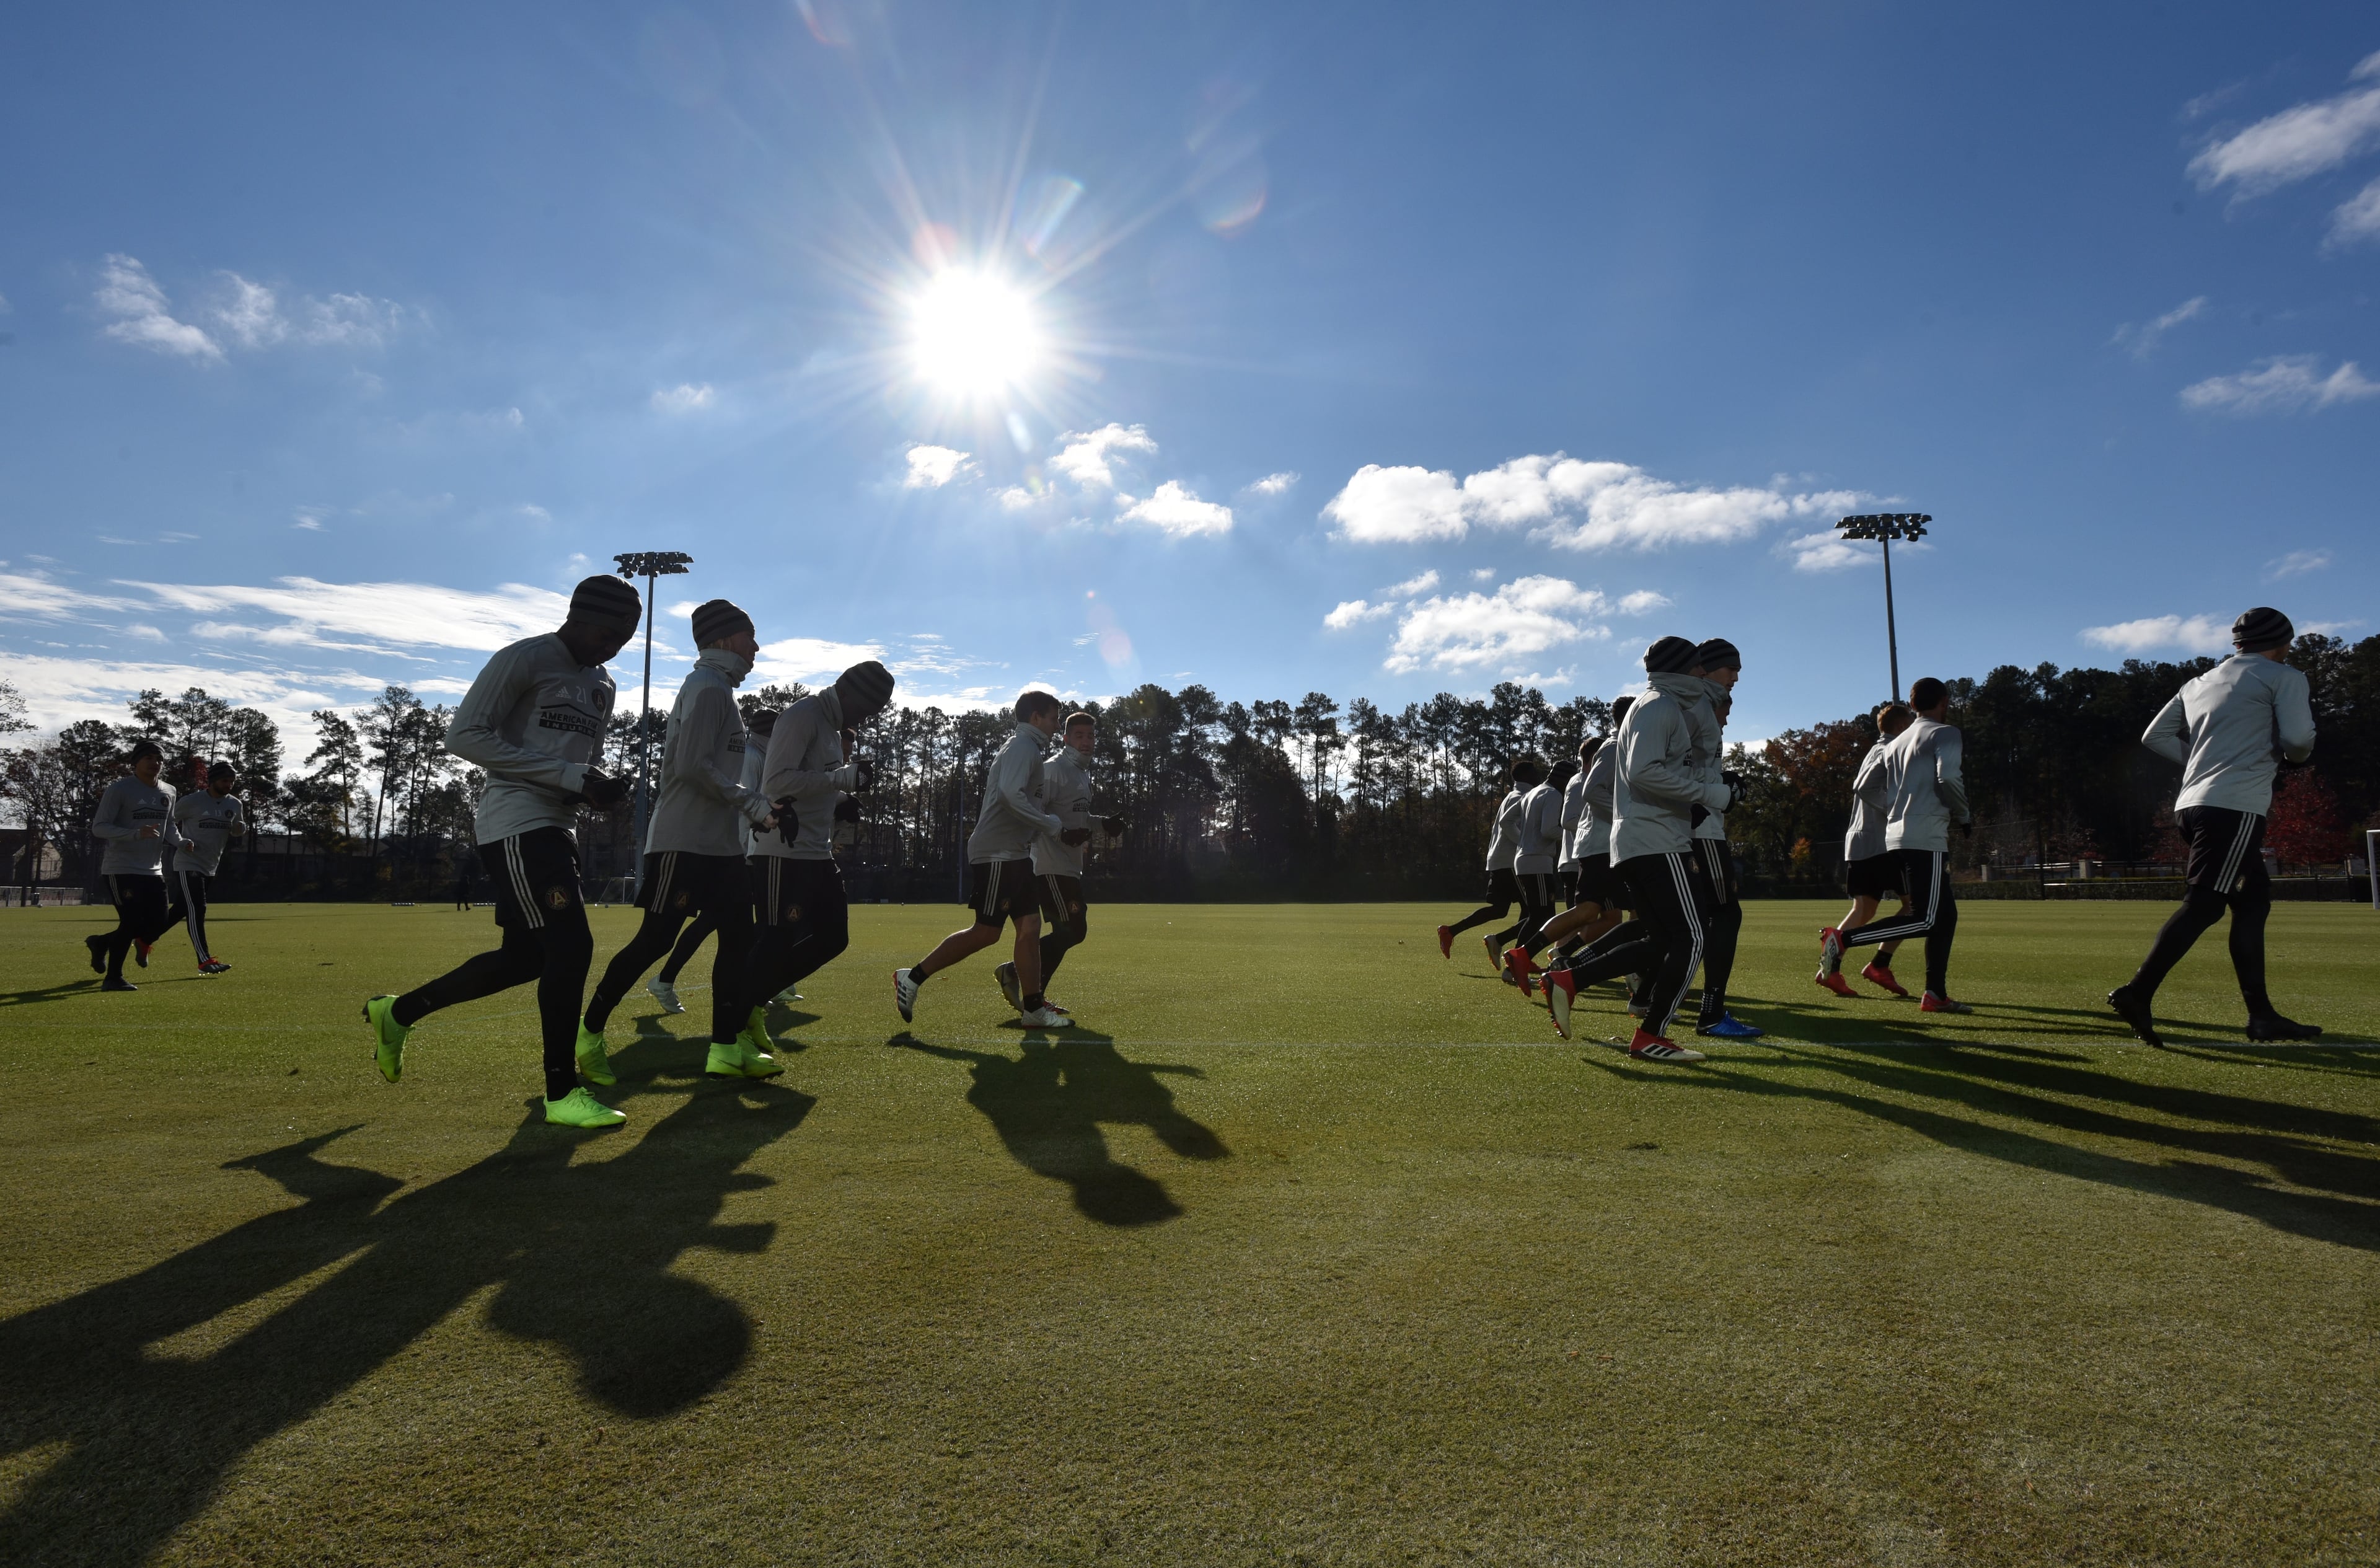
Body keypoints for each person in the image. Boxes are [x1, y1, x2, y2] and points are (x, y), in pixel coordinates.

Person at [361, 574, 640, 1129]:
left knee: (526, 959)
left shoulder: (603, 683)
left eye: (624, 641)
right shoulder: (525, 658)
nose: (612, 648)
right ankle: (561, 1092)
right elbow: (463, 736)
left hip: (557, 828)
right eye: (608, 634)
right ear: (578, 617)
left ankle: (397, 1012)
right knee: (572, 946)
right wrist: (568, 775)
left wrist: (594, 788)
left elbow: (574, 763)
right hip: (515, 824)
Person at [578, 601, 782, 1081]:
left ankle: (725, 1047)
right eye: (750, 638)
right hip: (684, 841)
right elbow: (692, 768)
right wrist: (753, 804)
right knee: (655, 941)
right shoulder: (709, 689)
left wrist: (749, 811)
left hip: (720, 845)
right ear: (727, 640)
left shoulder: (719, 690)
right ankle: (587, 1033)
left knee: (738, 940)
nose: (756, 648)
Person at [2110, 606, 2320, 1045]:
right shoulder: (2283, 676)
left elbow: (2155, 736)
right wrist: (2291, 760)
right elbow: (2299, 741)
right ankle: (2137, 992)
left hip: (2193, 805)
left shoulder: (2199, 683)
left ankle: (2262, 1016)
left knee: (2252, 899)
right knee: (2205, 905)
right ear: (2282, 642)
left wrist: (2203, 762)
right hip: (2233, 807)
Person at [1540, 638, 1732, 1060]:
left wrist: (1693, 802)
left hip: (1646, 839)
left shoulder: (1659, 704)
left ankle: (1569, 979)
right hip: (1655, 840)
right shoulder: (1660, 706)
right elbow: (1645, 774)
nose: (1706, 674)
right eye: (1699, 668)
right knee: (1695, 936)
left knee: (1661, 939)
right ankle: (1652, 1034)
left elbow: (1648, 775)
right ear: (1684, 669)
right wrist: (1710, 794)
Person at [896, 690, 1069, 1029]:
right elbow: (1009, 795)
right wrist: (1048, 824)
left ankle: (1033, 1010)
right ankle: (912, 978)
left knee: (1030, 927)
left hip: (1014, 854)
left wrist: (1037, 828)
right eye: (1053, 717)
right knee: (987, 933)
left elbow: (1019, 801)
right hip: (997, 854)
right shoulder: (1023, 747)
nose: (1056, 724)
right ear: (1035, 718)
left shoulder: (1027, 747)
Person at [745, 661, 896, 1031]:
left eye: (875, 712)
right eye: (865, 708)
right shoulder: (804, 715)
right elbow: (777, 782)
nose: (866, 717)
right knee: (775, 940)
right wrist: (841, 779)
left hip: (814, 850)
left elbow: (814, 784)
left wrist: (843, 801)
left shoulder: (830, 725)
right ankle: (736, 1020)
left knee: (832, 938)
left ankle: (746, 1004)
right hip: (783, 849)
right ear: (845, 690)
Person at [1816, 676, 1972, 1013]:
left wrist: (1897, 808)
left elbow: (1864, 786)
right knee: (1923, 915)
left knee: (1939, 914)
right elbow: (1946, 778)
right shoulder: (1928, 737)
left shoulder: (1893, 744)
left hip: (1885, 838)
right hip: (1907, 838)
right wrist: (1956, 812)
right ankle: (1847, 943)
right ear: (1943, 702)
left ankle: (1931, 991)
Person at [647, 705, 776, 1016]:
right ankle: (666, 980)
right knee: (716, 922)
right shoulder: (751, 756)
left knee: (728, 924)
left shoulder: (759, 755)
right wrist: (746, 849)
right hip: (736, 852)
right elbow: (739, 806)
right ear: (769, 732)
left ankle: (752, 984)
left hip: (740, 851)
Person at [1000, 710, 1116, 1015]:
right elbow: (1033, 814)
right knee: (1072, 931)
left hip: (1067, 866)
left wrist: (1104, 825)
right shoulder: (1053, 770)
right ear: (1065, 738)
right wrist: (1063, 836)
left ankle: (1031, 994)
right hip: (1047, 865)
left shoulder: (1081, 772)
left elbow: (1078, 819)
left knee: (1070, 932)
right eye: (1079, 735)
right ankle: (1020, 980)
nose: (1086, 741)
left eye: (1090, 736)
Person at [1686, 648, 1761, 1039]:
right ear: (1706, 668)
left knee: (1683, 924)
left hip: (1696, 825)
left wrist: (1722, 779)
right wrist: (1703, 802)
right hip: (1701, 830)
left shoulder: (1698, 704)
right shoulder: (1695, 705)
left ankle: (1576, 971)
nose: (1736, 676)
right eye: (1732, 668)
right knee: (1721, 917)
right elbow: (1674, 766)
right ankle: (1711, 1013)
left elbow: (1694, 766)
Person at [1818, 702, 1915, 997]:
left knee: (1866, 908)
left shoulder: (1877, 749)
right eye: (1911, 723)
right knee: (1917, 906)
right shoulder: (1891, 750)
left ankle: (1829, 970)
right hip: (1882, 843)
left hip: (1862, 841)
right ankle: (1879, 965)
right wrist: (1897, 809)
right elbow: (1862, 787)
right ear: (1900, 726)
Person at [86, 739, 178, 992]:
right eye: (148, 758)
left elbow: (169, 824)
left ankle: (101, 942)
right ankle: (113, 978)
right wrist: (136, 834)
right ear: (135, 762)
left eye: (159, 759)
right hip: (121, 868)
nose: (155, 763)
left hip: (153, 869)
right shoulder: (120, 789)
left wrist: (181, 841)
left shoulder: (169, 791)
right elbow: (100, 827)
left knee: (159, 923)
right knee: (131, 922)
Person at [1435, 762, 1530, 969]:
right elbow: (1507, 825)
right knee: (1533, 910)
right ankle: (1519, 958)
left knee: (1499, 910)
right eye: (1536, 774)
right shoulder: (1523, 797)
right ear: (1528, 776)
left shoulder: (1511, 796)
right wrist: (1526, 842)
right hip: (1510, 862)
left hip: (1498, 860)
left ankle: (1450, 931)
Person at [167, 760, 245, 974]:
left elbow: (236, 830)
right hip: (187, 862)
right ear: (212, 781)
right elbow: (168, 821)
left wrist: (240, 829)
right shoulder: (192, 801)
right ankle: (204, 960)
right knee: (198, 908)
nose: (229, 785)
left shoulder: (235, 804)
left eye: (232, 781)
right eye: (224, 781)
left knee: (179, 911)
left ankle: (142, 939)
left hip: (211, 865)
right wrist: (181, 841)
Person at [1499, 756, 1561, 986]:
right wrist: (1572, 835)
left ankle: (1517, 963)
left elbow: (1508, 822)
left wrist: (1524, 843)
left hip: (1526, 860)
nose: (1538, 776)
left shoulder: (1532, 794)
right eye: (1534, 772)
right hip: (1536, 861)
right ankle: (1516, 962)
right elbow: (1548, 830)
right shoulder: (1550, 794)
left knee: (1538, 915)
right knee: (1541, 916)